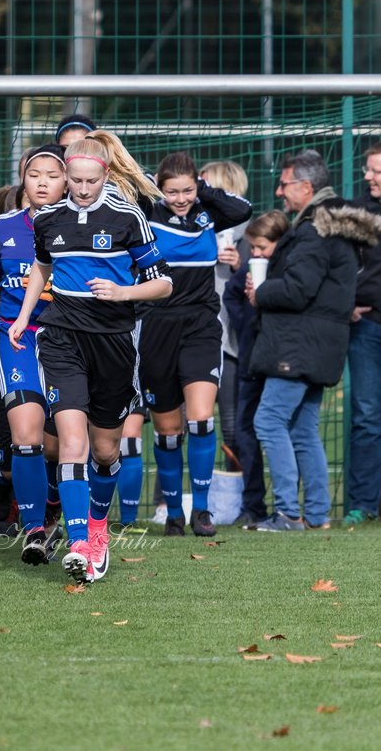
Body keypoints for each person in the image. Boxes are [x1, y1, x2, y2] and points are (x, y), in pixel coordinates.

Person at [9, 131, 172, 584]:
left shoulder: (128, 217)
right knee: (72, 441)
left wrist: (123, 292)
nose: (80, 189)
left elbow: (163, 284)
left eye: (89, 181)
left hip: (114, 342)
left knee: (105, 450)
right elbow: (42, 267)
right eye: (74, 180)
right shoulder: (48, 219)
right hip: (61, 336)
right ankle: (79, 541)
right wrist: (25, 317)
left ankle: (98, 526)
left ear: (104, 175)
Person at [250, 150, 381, 531]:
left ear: (306, 187)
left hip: (299, 342)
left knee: (269, 420)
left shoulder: (314, 231)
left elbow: (297, 289)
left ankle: (289, 512)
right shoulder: (334, 227)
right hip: (320, 343)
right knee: (304, 428)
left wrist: (261, 292)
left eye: (285, 184)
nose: (279, 192)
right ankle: (318, 514)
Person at [139, 152, 251, 537]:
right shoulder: (147, 211)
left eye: (188, 189)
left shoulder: (208, 210)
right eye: (173, 191)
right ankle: (173, 512)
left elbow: (242, 210)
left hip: (201, 326)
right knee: (168, 431)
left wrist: (203, 189)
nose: (182, 197)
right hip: (156, 327)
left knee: (201, 418)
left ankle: (201, 511)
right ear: (159, 186)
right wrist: (153, 190)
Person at [0, 144, 68, 564]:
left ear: (67, 180)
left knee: (61, 447)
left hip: (67, 342)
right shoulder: (0, 227)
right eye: (33, 173)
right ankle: (34, 531)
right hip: (16, 338)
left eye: (51, 174)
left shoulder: (79, 227)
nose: (41, 181)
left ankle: (55, 506)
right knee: (25, 436)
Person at [223, 210, 289, 526]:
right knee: (245, 432)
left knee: (283, 430)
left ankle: (289, 506)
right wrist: (248, 320)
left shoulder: (290, 269)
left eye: (262, 247)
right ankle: (253, 504)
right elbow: (232, 295)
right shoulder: (250, 270)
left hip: (281, 360)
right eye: (254, 248)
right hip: (251, 358)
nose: (257, 254)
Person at [344, 139, 381, 524]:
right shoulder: (358, 212)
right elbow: (336, 265)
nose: (367, 177)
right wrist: (346, 303)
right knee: (366, 418)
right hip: (367, 331)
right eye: (367, 169)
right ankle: (361, 506)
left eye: (376, 170)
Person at [201, 160, 252, 473]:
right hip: (195, 333)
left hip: (231, 341)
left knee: (232, 422)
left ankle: (236, 495)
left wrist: (237, 266)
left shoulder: (249, 233)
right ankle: (169, 503)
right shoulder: (191, 224)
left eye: (208, 186)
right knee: (182, 423)